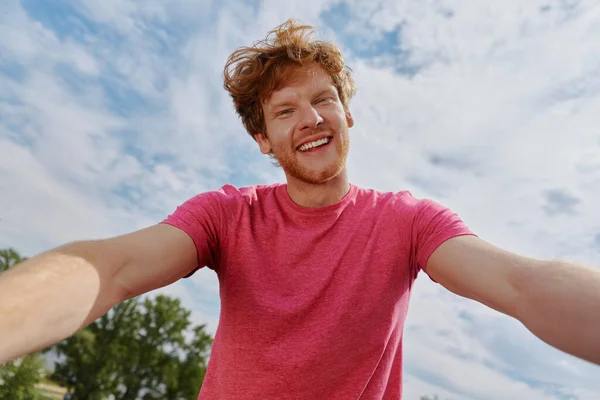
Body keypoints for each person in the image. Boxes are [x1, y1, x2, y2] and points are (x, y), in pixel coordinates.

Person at [0, 19, 599, 399]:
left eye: (323, 100)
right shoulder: (226, 216)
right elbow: (113, 269)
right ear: (262, 139)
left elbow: (523, 285)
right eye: (284, 110)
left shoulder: (408, 222)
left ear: (347, 113)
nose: (310, 119)